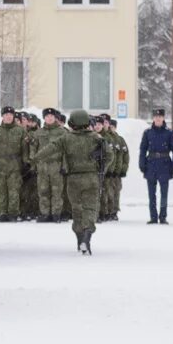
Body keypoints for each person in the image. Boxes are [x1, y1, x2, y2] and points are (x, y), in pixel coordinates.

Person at [32, 109, 105, 254]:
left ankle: (79, 240)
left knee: (77, 209)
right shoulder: (96, 138)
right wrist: (100, 168)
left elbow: (50, 148)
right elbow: (109, 155)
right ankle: (87, 237)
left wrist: (35, 158)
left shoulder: (66, 138)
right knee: (90, 208)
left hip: (74, 179)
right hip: (91, 178)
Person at [138, 107, 173, 224]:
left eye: (160, 117)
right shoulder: (147, 133)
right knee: (152, 194)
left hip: (165, 165)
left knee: (164, 194)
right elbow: (142, 149)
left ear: (163, 118)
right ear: (153, 118)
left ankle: (163, 216)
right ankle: (153, 217)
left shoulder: (169, 133)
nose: (158, 118)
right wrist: (142, 164)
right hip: (151, 165)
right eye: (156, 117)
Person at [0, 106, 27, 221]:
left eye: (10, 115)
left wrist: (25, 163)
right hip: (0, 165)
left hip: (15, 165)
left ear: (13, 116)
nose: (8, 117)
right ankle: (3, 213)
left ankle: (13, 213)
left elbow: (25, 149)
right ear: (2, 116)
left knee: (14, 190)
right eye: (6, 115)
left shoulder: (20, 131)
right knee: (1, 190)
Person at [30, 108, 66, 223]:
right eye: (47, 116)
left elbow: (66, 151)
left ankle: (56, 214)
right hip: (42, 166)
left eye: (52, 116)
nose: (49, 118)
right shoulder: (38, 133)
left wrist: (65, 166)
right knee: (43, 190)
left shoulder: (62, 132)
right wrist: (33, 165)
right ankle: (45, 213)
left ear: (55, 118)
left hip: (57, 166)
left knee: (57, 191)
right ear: (44, 118)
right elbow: (33, 149)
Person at [103, 117, 127, 221]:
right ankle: (106, 211)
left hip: (115, 172)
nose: (108, 126)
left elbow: (124, 156)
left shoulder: (119, 139)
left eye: (111, 125)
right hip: (105, 170)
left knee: (114, 192)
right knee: (106, 192)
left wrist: (121, 170)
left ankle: (113, 211)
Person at [20, 113, 40, 221]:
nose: (31, 123)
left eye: (33, 121)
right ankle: (25, 211)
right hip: (25, 165)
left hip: (36, 165)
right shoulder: (24, 133)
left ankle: (35, 211)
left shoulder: (39, 134)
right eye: (29, 121)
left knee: (35, 191)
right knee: (25, 191)